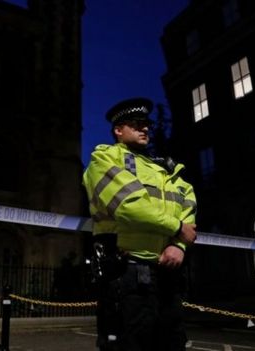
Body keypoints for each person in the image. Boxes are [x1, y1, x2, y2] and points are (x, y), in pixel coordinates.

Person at [82, 97, 198, 351]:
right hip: (126, 274)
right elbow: (129, 206)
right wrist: (177, 228)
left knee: (173, 343)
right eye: (136, 124)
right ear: (118, 130)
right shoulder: (104, 158)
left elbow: (188, 202)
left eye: (146, 124)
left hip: (168, 273)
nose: (144, 128)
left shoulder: (166, 168)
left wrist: (179, 245)